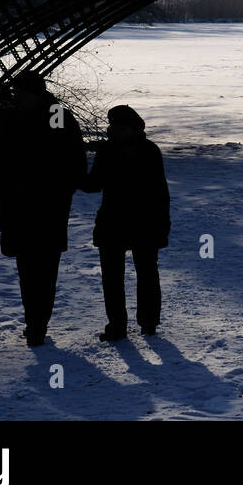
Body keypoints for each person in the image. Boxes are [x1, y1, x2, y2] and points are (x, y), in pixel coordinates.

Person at [0, 71, 86, 347]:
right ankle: (36, 323)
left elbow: (69, 156)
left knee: (39, 268)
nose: (17, 97)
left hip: (43, 205)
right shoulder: (18, 117)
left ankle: (37, 324)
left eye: (21, 93)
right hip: (27, 205)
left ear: (34, 93)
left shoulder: (50, 116)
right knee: (32, 268)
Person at [81, 105, 171, 341]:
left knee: (142, 275)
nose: (113, 129)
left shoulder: (140, 150)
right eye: (113, 124)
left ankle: (145, 324)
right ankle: (123, 325)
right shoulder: (115, 150)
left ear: (132, 127)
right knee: (119, 277)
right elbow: (94, 184)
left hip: (137, 223)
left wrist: (163, 224)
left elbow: (160, 192)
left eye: (118, 125)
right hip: (121, 222)